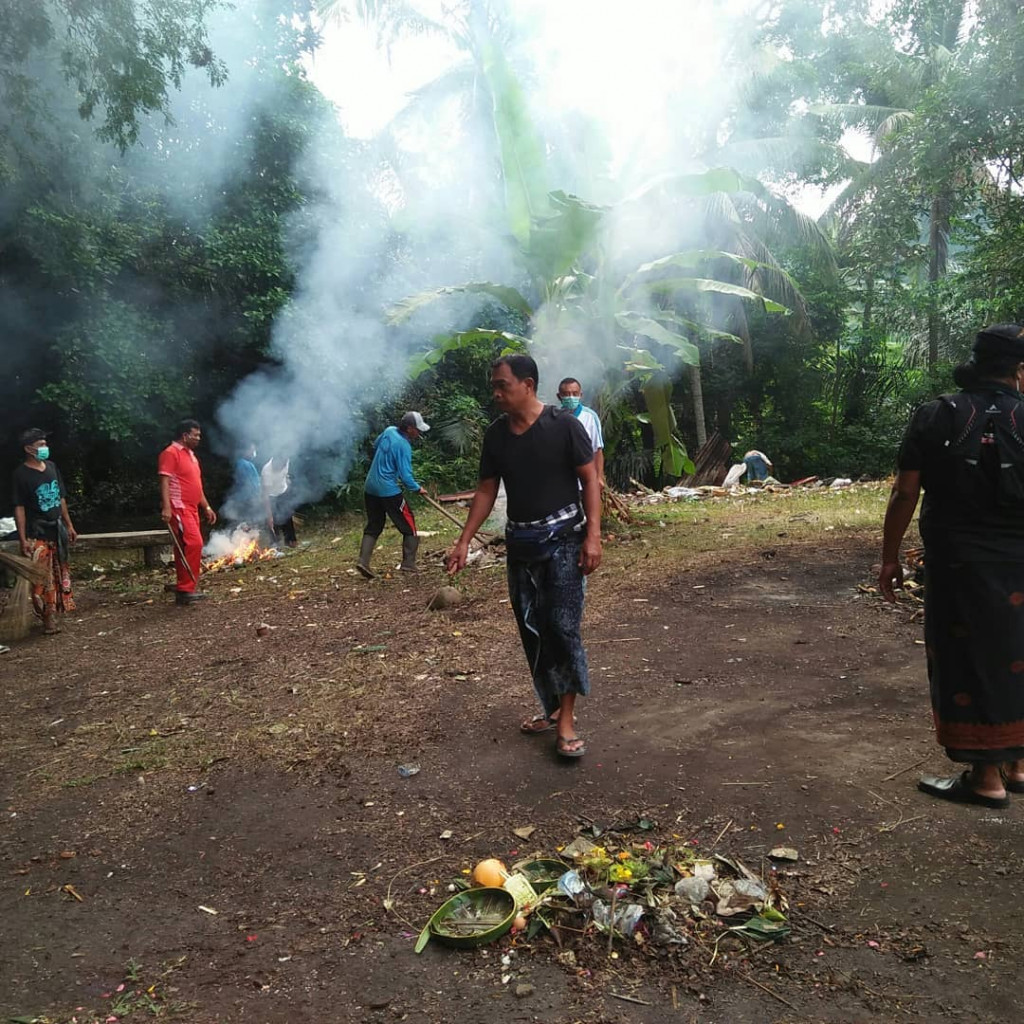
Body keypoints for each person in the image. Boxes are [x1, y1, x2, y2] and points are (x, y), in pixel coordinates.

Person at [880, 323, 1024, 809]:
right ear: (1018, 372)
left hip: (957, 562)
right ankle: (1019, 765)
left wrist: (889, 557)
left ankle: (986, 779)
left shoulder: (937, 414)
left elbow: (905, 491)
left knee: (969, 656)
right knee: (1018, 649)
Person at [446, 355, 601, 759]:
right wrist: (465, 540)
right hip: (521, 546)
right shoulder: (497, 436)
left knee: (562, 627)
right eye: (494, 387)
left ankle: (566, 722)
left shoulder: (564, 426)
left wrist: (594, 537)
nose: (496, 394)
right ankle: (551, 709)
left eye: (502, 385)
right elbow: (485, 490)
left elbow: (590, 480)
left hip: (566, 541)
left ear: (527, 384)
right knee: (532, 630)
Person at [11, 428, 77, 634]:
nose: (44, 448)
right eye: (40, 445)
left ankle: (53, 613)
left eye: (44, 444)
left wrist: (69, 525)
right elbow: (19, 508)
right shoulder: (20, 475)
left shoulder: (51, 467)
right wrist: (23, 539)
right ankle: (45, 615)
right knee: (41, 577)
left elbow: (61, 498)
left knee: (58, 572)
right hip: (36, 530)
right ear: (28, 449)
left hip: (56, 528)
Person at [357, 411, 430, 578]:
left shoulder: (389, 431)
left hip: (370, 487)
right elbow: (405, 476)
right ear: (409, 428)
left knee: (374, 524)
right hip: (388, 490)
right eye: (417, 430)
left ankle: (363, 561)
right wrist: (418, 488)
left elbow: (375, 446)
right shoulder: (404, 446)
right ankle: (408, 564)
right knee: (409, 525)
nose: (418, 433)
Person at [158, 419, 217, 605]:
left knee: (185, 546)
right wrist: (166, 507)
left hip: (191, 508)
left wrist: (206, 506)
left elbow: (196, 485)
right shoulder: (170, 453)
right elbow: (165, 481)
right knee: (194, 543)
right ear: (185, 436)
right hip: (178, 507)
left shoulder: (191, 455)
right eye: (196, 435)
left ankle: (185, 587)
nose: (199, 438)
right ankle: (185, 589)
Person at [556, 377, 606, 489]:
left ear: (580, 395)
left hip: (586, 482)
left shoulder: (590, 417)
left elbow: (597, 450)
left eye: (574, 393)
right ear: (559, 396)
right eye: (566, 394)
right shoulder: (555, 417)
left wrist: (599, 477)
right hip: (562, 483)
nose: (571, 397)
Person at [226, 443, 273, 538]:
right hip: (248, 501)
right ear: (245, 451)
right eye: (252, 450)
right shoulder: (243, 464)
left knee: (249, 525)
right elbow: (250, 484)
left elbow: (255, 481)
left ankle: (253, 546)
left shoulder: (246, 464)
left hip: (247, 500)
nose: (253, 452)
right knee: (250, 524)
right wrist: (257, 498)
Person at [261, 455, 297, 547]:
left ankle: (290, 541)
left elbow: (286, 475)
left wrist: (287, 483)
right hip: (271, 496)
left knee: (288, 516)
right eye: (279, 466)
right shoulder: (267, 471)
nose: (281, 468)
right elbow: (265, 494)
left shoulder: (286, 461)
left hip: (283, 492)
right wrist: (269, 516)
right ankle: (275, 544)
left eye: (283, 466)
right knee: (274, 522)